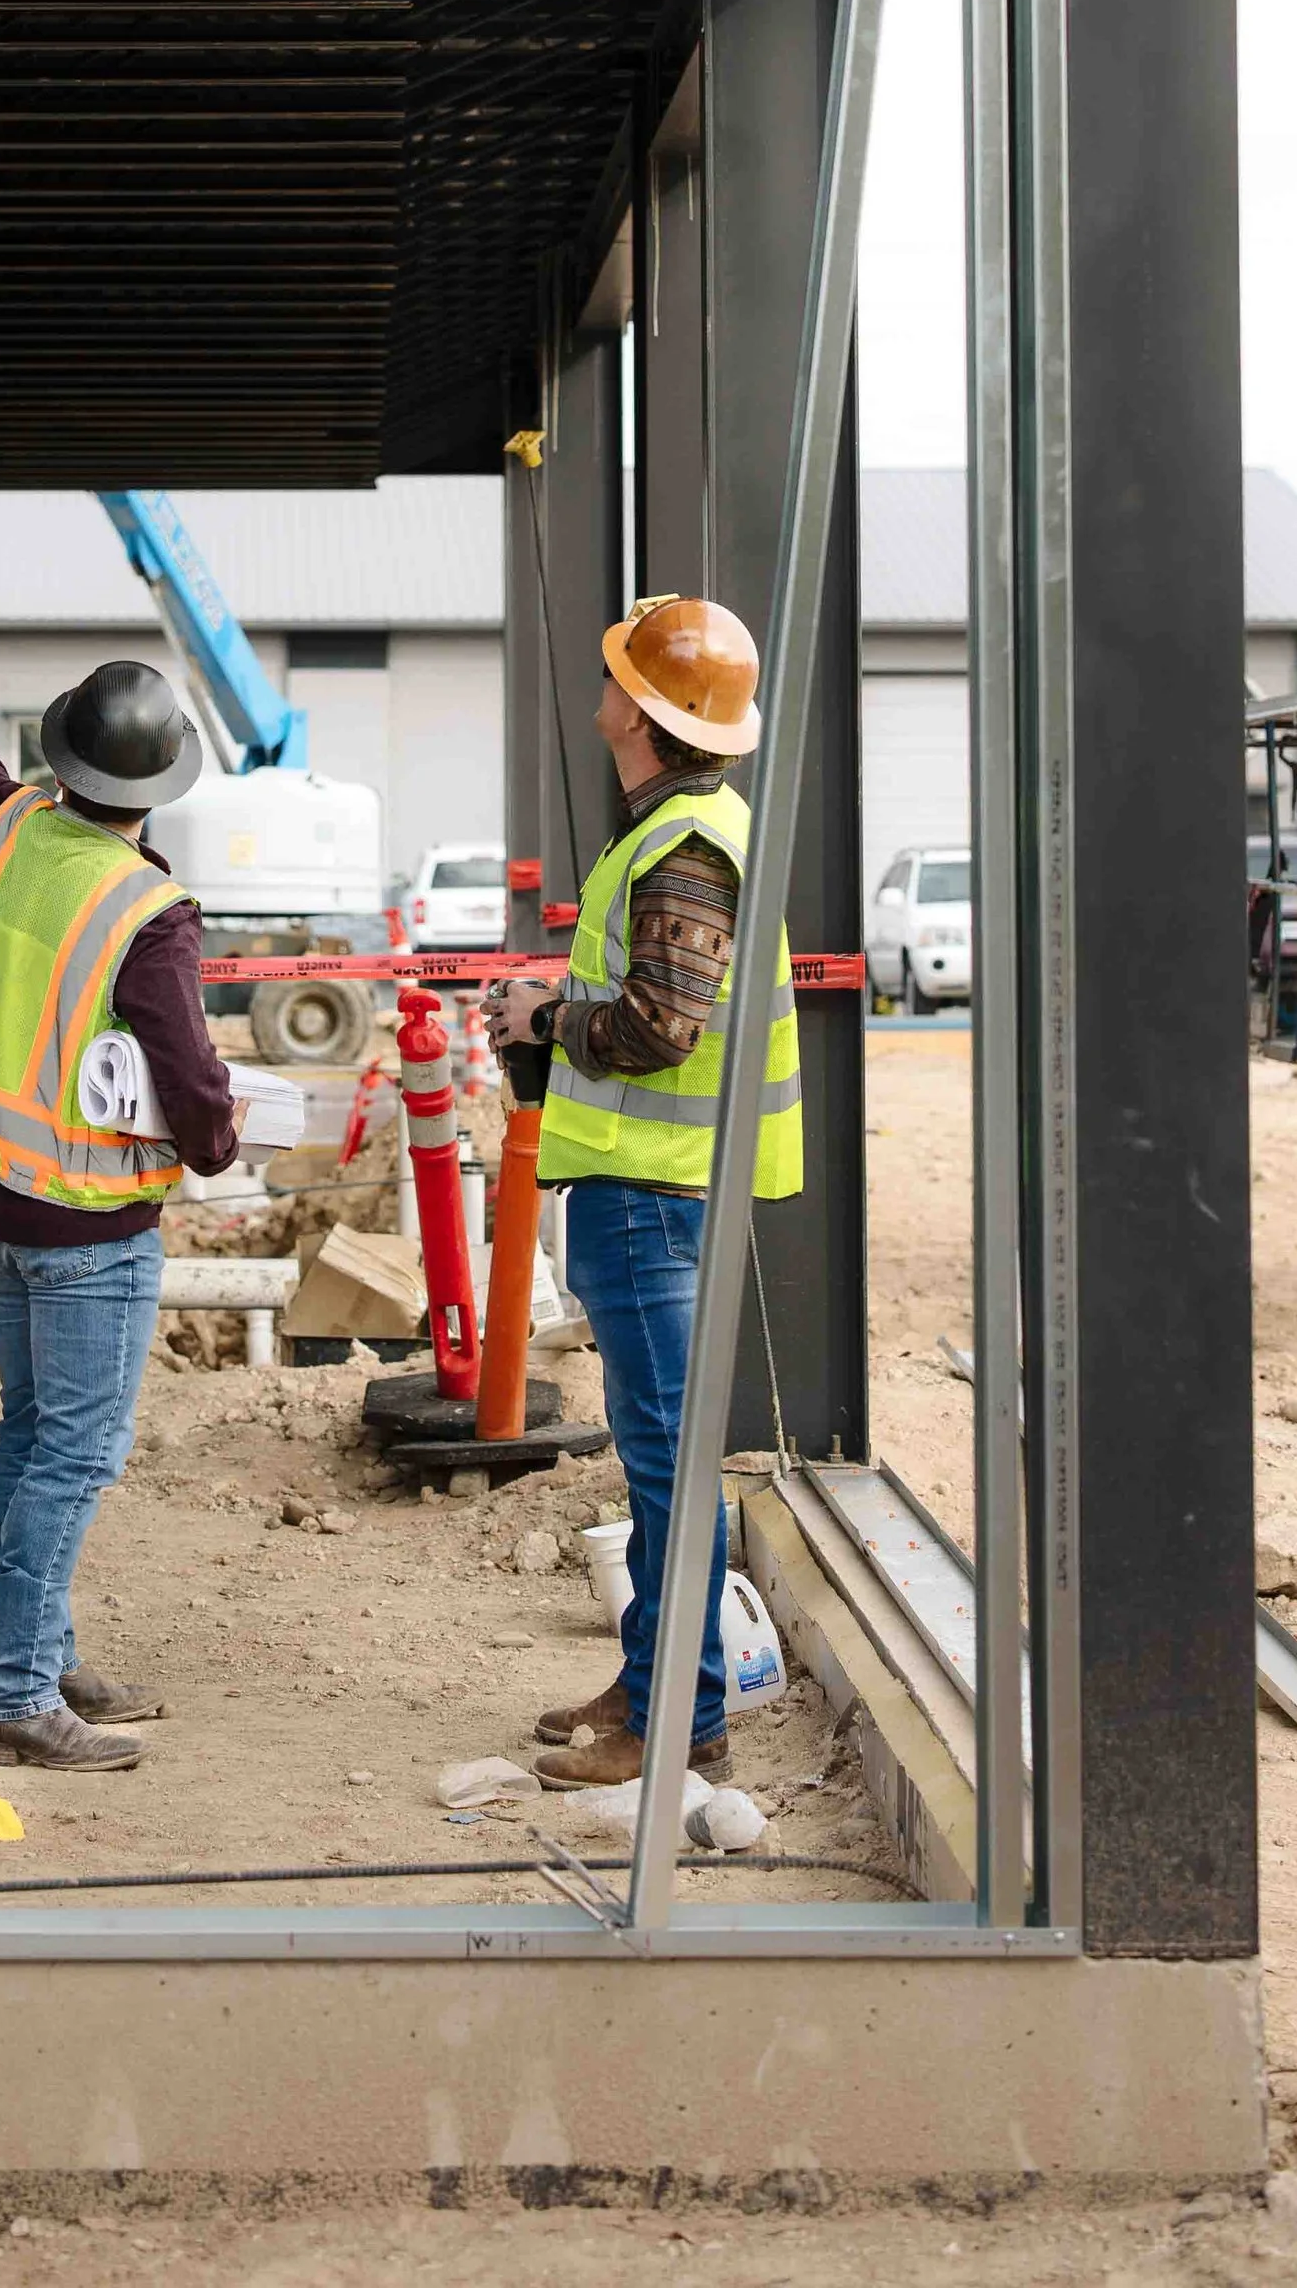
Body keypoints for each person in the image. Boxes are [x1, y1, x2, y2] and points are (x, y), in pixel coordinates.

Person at [0, 503, 240, 1771]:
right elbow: (190, 1083)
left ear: (65, 759)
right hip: (88, 1225)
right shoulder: (149, 910)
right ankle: (19, 1690)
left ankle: (48, 1642)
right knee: (73, 1456)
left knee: (32, 1433)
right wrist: (222, 1146)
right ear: (158, 787)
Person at [484, 593, 801, 1792]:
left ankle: (681, 1720)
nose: (604, 684)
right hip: (654, 1191)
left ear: (644, 718)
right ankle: (648, 1680)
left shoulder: (682, 852)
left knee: (669, 1460)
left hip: (650, 1193)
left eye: (623, 673)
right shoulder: (684, 826)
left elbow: (662, 1026)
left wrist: (542, 1019)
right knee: (659, 1452)